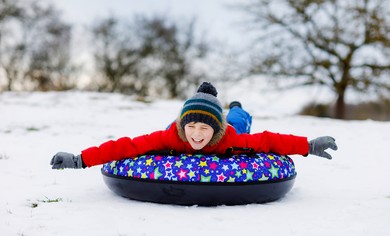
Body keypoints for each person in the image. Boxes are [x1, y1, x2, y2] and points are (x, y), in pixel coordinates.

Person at [50, 82, 337, 169]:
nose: (197, 134)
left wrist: (308, 146)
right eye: (192, 127)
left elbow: (270, 140)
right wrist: (79, 159)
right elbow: (127, 146)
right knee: (175, 129)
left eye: (205, 128)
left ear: (215, 130)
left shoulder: (228, 138)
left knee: (238, 120)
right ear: (183, 125)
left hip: (231, 124)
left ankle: (235, 108)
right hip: (175, 126)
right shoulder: (171, 136)